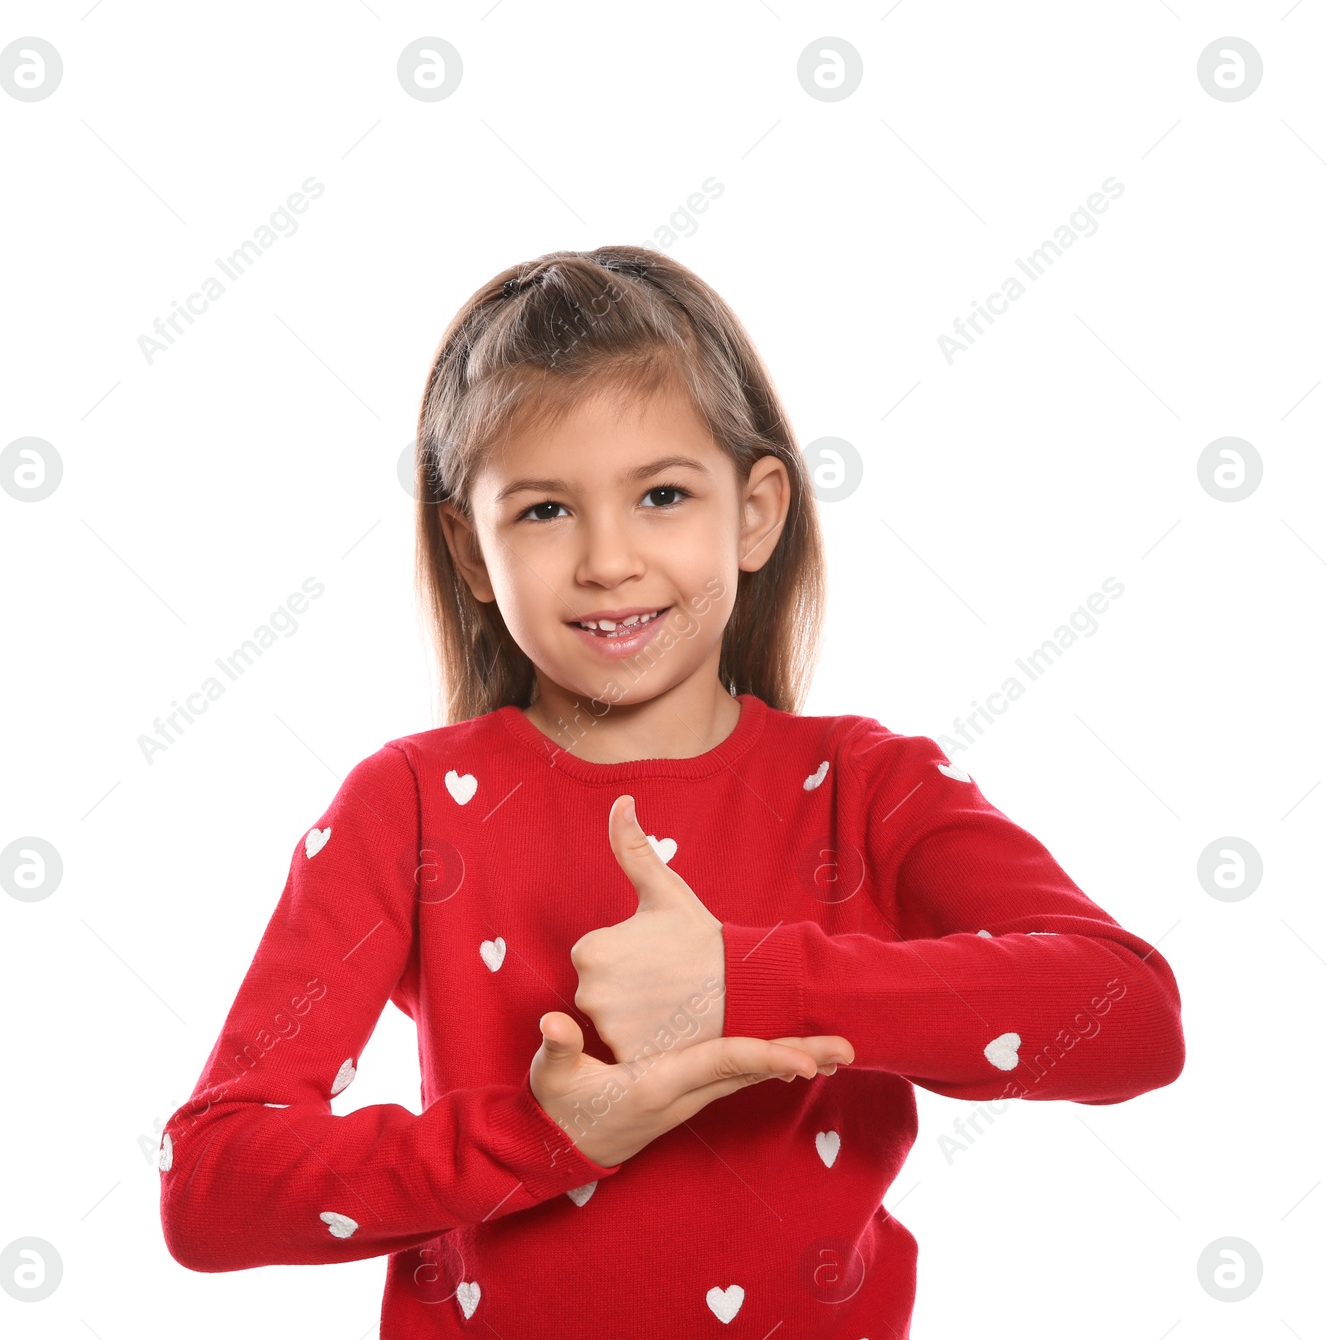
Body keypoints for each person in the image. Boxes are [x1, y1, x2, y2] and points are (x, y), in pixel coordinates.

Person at [157, 245, 1186, 1338]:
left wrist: (748, 981)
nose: (608, 559)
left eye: (660, 494)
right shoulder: (409, 804)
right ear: (469, 547)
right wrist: (545, 1139)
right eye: (545, 511)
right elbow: (211, 1184)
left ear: (755, 511)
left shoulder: (867, 786)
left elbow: (1129, 1015)